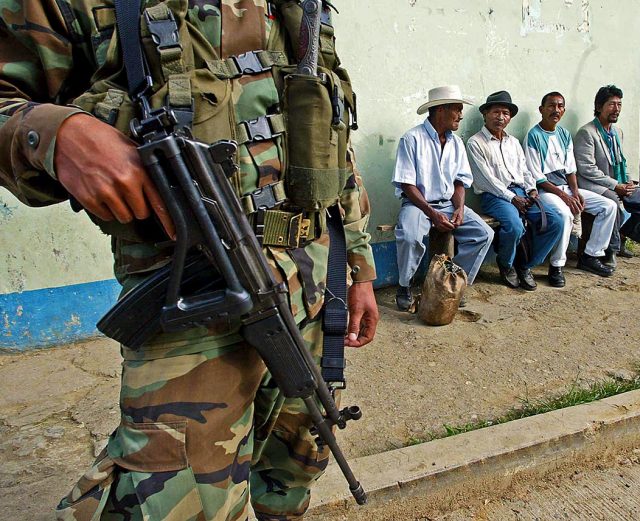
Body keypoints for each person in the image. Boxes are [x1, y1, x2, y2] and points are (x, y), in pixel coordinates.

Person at [0, 2, 379, 520]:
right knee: (180, 502)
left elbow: (334, 140)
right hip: (194, 288)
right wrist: (55, 132)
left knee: (292, 468)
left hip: (313, 281)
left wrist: (359, 267)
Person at [392, 85, 494, 311]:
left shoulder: (456, 143)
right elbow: (407, 184)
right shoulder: (412, 139)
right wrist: (432, 213)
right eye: (457, 109)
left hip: (449, 204)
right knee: (410, 236)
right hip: (418, 205)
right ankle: (404, 285)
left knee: (484, 234)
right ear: (440, 110)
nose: (461, 114)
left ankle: (451, 283)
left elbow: (460, 182)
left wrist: (459, 208)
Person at [466, 91, 563, 291]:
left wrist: (532, 190)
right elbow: (487, 180)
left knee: (556, 221)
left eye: (505, 113)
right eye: (495, 112)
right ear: (485, 114)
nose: (500, 117)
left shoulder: (513, 143)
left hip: (522, 193)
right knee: (515, 226)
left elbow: (525, 171)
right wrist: (512, 198)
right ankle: (506, 265)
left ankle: (525, 265)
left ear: (510, 117)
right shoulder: (475, 143)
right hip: (495, 197)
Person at [523, 91, 617, 286]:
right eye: (551, 106)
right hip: (546, 191)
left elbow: (571, 169)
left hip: (566, 188)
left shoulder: (564, 134)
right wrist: (566, 197)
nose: (556, 110)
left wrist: (575, 193)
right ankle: (556, 266)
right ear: (541, 110)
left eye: (560, 106)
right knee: (565, 214)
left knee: (608, 206)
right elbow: (538, 178)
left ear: (563, 110)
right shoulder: (533, 136)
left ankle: (591, 256)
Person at [574, 85, 640, 267]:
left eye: (619, 104)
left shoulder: (616, 132)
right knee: (613, 202)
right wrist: (615, 185)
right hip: (595, 184)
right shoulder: (587, 132)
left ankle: (623, 235)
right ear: (599, 107)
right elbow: (586, 169)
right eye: (611, 104)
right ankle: (611, 250)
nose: (616, 109)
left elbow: (621, 161)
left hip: (618, 182)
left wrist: (628, 181)